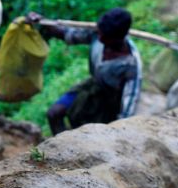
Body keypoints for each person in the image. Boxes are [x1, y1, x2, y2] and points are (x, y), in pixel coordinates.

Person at [27, 8, 142, 136]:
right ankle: (62, 145)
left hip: (109, 102)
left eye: (106, 37)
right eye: (100, 33)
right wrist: (43, 21)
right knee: (54, 113)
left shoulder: (130, 64)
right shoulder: (98, 33)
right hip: (91, 85)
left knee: (90, 134)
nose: (101, 38)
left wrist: (118, 130)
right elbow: (66, 34)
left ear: (119, 37)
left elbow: (129, 106)